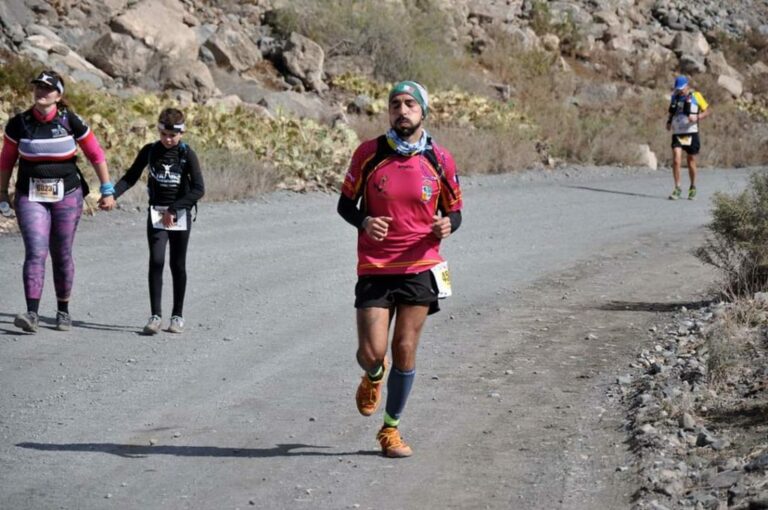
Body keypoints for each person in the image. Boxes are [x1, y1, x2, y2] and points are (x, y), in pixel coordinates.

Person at [337, 81, 463, 457]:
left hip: (421, 265)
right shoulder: (369, 154)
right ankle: (375, 374)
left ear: (423, 111)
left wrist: (447, 225)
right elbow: (345, 204)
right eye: (395, 104)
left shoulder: (440, 159)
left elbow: (455, 211)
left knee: (405, 348)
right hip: (376, 266)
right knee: (372, 352)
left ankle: (390, 429)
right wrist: (363, 222)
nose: (402, 110)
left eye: (410, 104)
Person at [0, 70, 115, 333]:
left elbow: (95, 154)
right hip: (30, 196)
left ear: (59, 95)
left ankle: (63, 310)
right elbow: (6, 160)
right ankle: (31, 313)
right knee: (35, 251)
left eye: (48, 88)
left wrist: (107, 190)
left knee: (61, 254)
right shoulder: (19, 123)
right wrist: (1, 192)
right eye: (38, 87)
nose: (41, 92)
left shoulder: (70, 120)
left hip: (68, 195)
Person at [101, 108, 204, 335]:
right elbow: (130, 177)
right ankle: (155, 316)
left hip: (179, 214)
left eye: (173, 135)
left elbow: (198, 189)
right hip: (156, 213)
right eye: (164, 134)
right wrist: (112, 195)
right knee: (156, 261)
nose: (168, 139)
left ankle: (177, 316)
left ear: (182, 132)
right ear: (158, 131)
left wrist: (175, 209)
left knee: (177, 264)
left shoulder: (187, 155)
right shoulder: (150, 151)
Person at [666, 75, 712, 200]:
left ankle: (692, 187)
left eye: (681, 88)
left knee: (691, 160)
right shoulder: (675, 97)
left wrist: (697, 117)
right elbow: (672, 111)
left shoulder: (696, 96)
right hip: (678, 132)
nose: (679, 90)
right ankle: (677, 188)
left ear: (687, 85)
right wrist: (669, 122)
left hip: (691, 132)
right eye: (678, 88)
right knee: (676, 159)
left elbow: (708, 111)